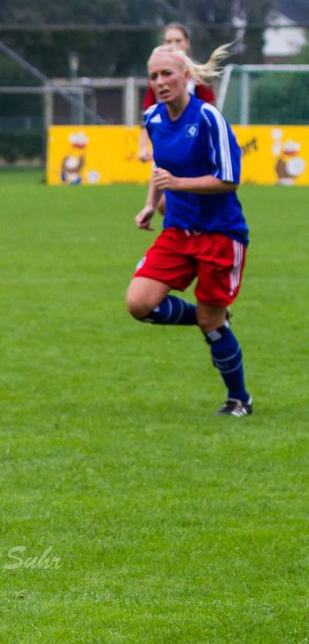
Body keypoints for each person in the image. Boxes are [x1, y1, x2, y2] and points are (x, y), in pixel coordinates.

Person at [126, 44, 252, 417]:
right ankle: (209, 314)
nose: (160, 82)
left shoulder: (209, 117)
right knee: (139, 304)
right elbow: (161, 169)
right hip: (178, 231)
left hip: (221, 234)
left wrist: (178, 185)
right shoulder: (153, 117)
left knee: (211, 327)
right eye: (154, 76)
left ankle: (239, 399)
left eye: (167, 74)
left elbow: (229, 180)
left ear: (186, 77)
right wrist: (152, 202)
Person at [137, 23, 218, 162]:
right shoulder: (158, 78)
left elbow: (210, 114)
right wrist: (143, 147)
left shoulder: (198, 76)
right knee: (160, 180)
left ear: (187, 43)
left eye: (178, 41)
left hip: (194, 143)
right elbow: (148, 116)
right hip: (167, 142)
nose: (173, 45)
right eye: (169, 41)